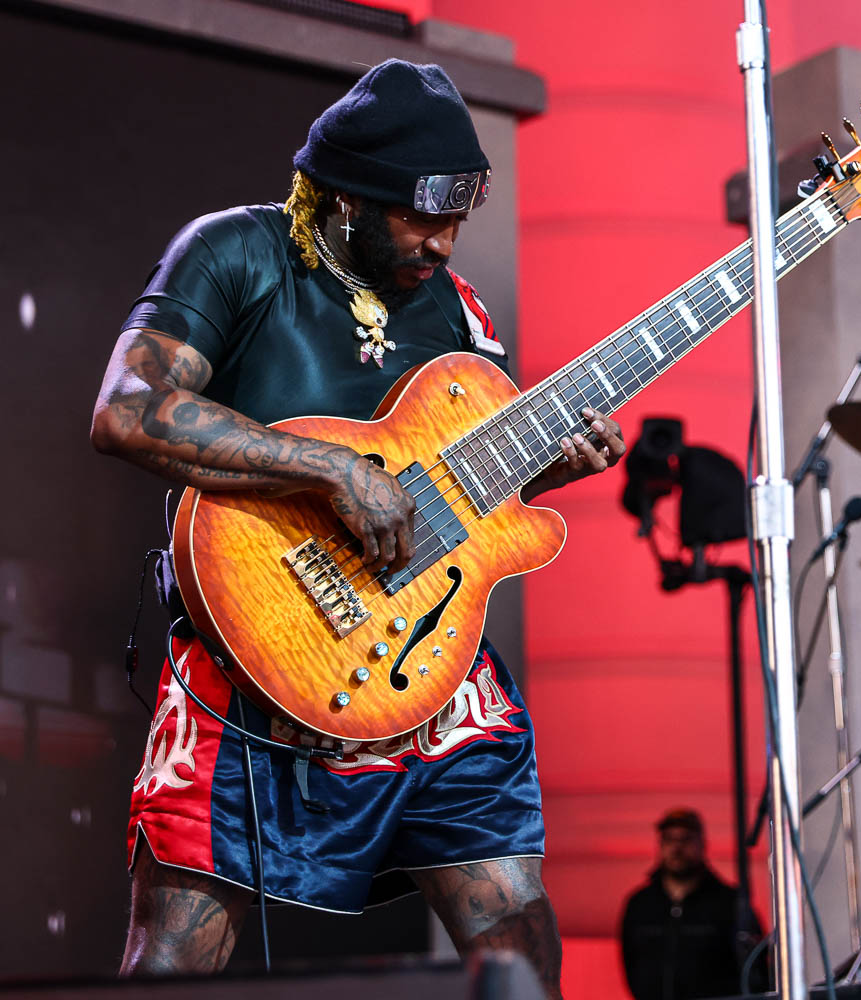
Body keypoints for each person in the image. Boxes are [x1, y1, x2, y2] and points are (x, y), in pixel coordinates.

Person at [90, 60, 625, 996]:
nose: (442, 243)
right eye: (419, 221)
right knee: (175, 958)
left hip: (426, 659)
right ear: (346, 197)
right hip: (259, 651)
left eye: (456, 221)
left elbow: (458, 496)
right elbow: (128, 411)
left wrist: (549, 466)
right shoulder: (236, 252)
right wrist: (333, 468)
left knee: (518, 930)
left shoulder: (459, 310)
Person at [619, 809, 766, 1000]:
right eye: (669, 839)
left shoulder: (730, 904)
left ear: (702, 844)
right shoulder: (640, 905)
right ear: (660, 845)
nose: (677, 847)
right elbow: (631, 962)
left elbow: (756, 968)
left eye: (686, 839)